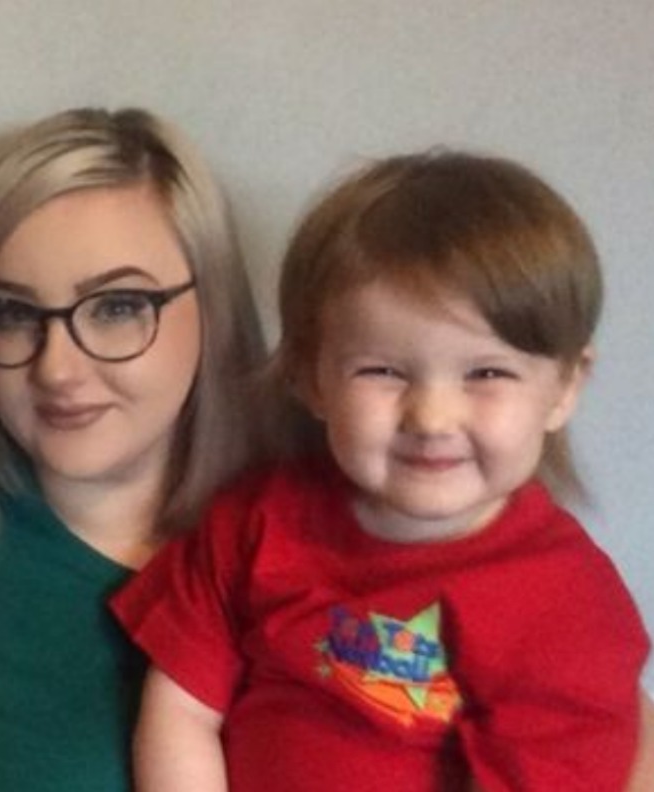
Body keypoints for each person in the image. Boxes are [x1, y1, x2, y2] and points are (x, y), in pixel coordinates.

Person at [113, 151, 650, 791]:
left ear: (564, 387)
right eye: (384, 371)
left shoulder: (568, 607)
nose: (432, 417)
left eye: (486, 373)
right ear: (311, 378)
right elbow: (183, 712)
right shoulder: (255, 520)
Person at [0, 107, 270, 792]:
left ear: (212, 305)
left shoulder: (324, 545)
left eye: (117, 307)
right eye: (10, 313)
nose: (57, 370)